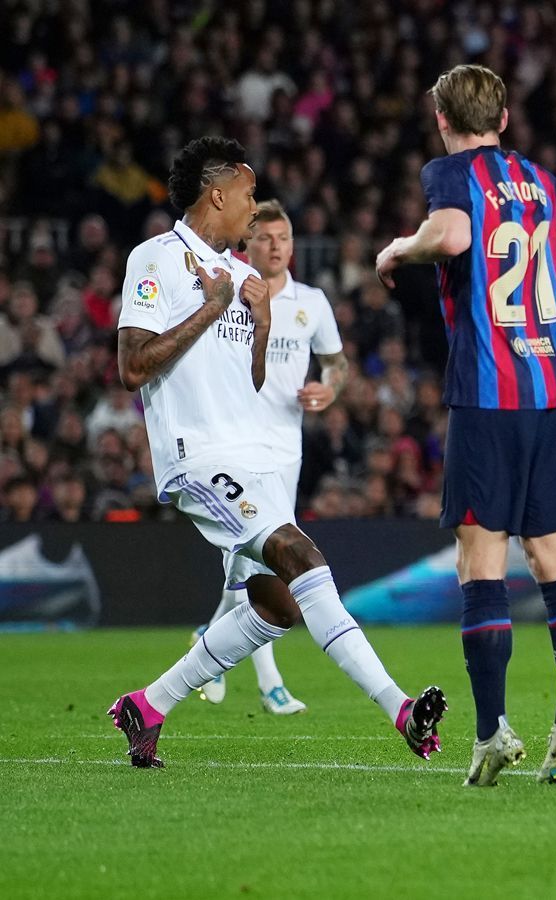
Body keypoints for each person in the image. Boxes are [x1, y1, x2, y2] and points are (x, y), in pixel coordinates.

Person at [108, 137, 445, 768]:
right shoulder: (154, 259)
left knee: (279, 604)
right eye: (247, 194)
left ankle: (148, 705)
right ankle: (401, 709)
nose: (253, 207)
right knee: (302, 556)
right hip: (195, 455)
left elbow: (252, 380)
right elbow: (133, 366)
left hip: (249, 455)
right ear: (216, 193)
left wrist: (259, 329)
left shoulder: (243, 277)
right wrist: (212, 309)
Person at [376, 64, 556, 787]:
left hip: (489, 399)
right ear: (505, 118)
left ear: (443, 121)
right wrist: (535, 238)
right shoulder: (537, 180)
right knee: (553, 553)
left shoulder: (452, 173)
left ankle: (490, 734)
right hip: (551, 392)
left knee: (480, 557)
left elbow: (452, 238)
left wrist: (401, 248)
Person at [189, 199, 346, 715]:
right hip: (232, 444)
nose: (275, 246)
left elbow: (336, 364)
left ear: (293, 245)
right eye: (265, 238)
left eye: (283, 238)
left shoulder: (312, 302)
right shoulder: (228, 293)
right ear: (247, 243)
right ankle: (271, 683)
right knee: (251, 563)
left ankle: (207, 640)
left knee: (254, 564)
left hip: (285, 448)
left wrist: (329, 390)